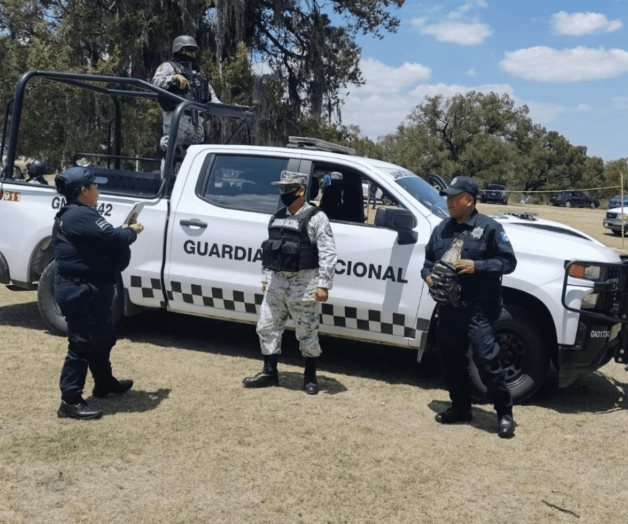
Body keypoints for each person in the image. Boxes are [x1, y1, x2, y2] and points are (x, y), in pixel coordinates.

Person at [421, 176, 518, 438]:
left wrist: (478, 266)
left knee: (487, 362)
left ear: (469, 200)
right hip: (449, 310)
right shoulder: (441, 229)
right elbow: (427, 263)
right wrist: (430, 278)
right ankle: (461, 408)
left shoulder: (489, 228)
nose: (449, 202)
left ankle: (504, 413)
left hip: (479, 311)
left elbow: (508, 263)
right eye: (448, 198)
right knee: (451, 361)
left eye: (454, 198)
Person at [53, 167, 144, 419]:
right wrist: (132, 231)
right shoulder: (79, 216)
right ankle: (70, 400)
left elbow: (105, 237)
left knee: (103, 338)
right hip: (80, 290)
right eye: (95, 186)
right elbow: (115, 237)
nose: (98, 189)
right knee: (81, 344)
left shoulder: (83, 215)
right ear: (84, 191)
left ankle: (104, 383)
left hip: (94, 287)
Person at [243, 170, 337, 395]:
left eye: (287, 189)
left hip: (304, 286)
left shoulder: (316, 217)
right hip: (276, 284)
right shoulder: (276, 217)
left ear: (301, 190)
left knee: (306, 333)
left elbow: (328, 253)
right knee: (266, 327)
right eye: (281, 188)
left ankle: (310, 377)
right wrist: (265, 278)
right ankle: (269, 372)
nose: (283, 193)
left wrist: (324, 284)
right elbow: (269, 252)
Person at [151, 34, 220, 155]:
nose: (192, 54)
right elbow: (155, 83)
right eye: (189, 50)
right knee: (171, 152)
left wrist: (227, 109)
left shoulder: (199, 74)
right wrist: (172, 79)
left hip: (197, 121)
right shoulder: (168, 67)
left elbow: (211, 96)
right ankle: (168, 173)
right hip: (177, 118)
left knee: (197, 155)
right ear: (179, 50)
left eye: (194, 50)